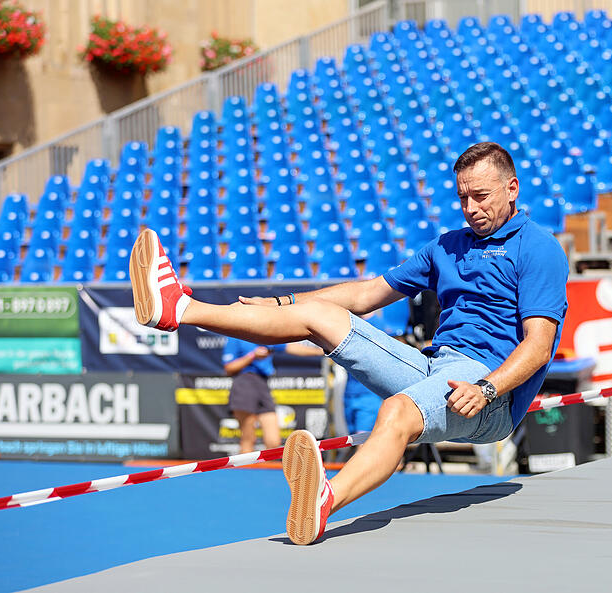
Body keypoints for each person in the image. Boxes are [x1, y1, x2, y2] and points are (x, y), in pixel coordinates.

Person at [128, 142, 569, 545]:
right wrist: (283, 302)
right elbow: (364, 295)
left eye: (482, 196)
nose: (470, 208)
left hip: (488, 391)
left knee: (396, 410)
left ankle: (324, 500)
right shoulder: (447, 246)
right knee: (320, 315)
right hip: (435, 368)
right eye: (462, 197)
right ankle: (180, 309)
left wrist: (488, 388)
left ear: (512, 189)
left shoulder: (539, 249)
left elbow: (538, 345)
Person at [223, 337, 323, 453]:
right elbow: (229, 368)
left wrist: (322, 352)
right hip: (244, 383)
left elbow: (291, 347)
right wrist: (252, 356)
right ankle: (245, 471)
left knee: (274, 442)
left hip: (263, 384)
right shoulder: (234, 337)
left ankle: (264, 470)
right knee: (248, 439)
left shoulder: (263, 334)